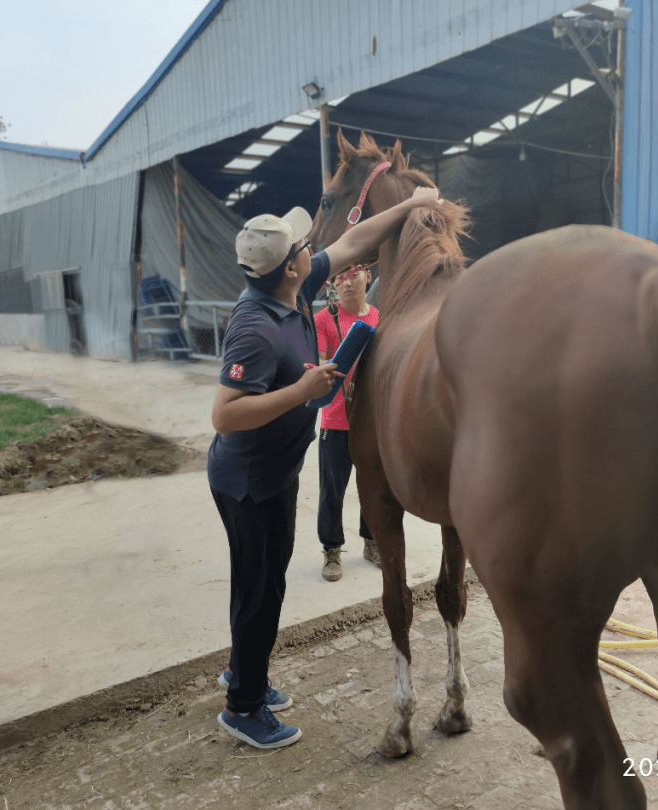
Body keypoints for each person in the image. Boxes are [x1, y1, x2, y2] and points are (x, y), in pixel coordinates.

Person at [208, 186, 441, 750]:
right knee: (259, 590)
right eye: (305, 247)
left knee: (267, 582)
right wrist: (302, 390)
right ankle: (243, 705)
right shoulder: (254, 327)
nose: (316, 248)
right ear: (290, 267)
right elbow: (224, 414)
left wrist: (412, 204)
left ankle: (248, 675)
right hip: (248, 482)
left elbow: (358, 237)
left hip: (277, 472)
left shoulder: (297, 287)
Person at [314, 265, 380, 581]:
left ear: (368, 276)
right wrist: (326, 368)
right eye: (339, 277)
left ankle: (371, 541)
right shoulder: (324, 319)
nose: (346, 281)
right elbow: (318, 364)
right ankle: (331, 550)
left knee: (373, 486)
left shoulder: (381, 319)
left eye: (353, 273)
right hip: (336, 420)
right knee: (332, 491)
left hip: (371, 423)